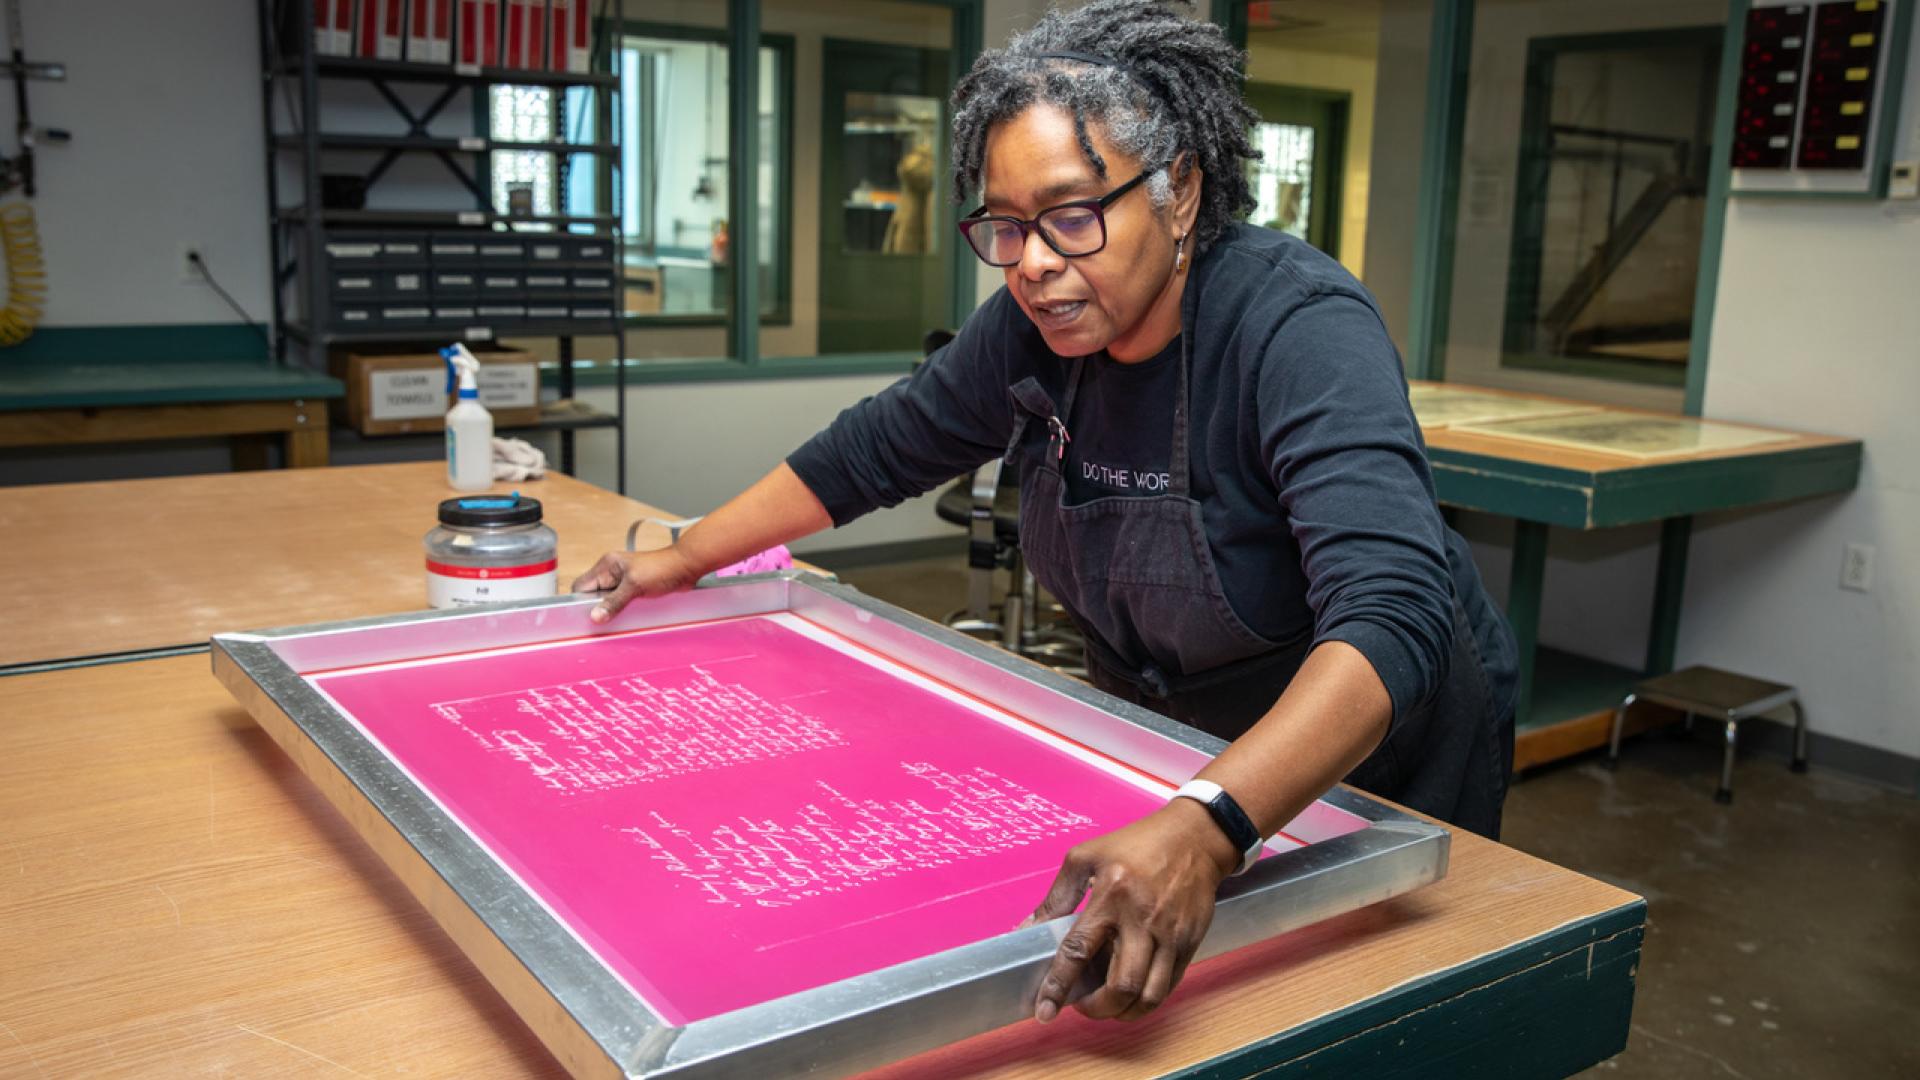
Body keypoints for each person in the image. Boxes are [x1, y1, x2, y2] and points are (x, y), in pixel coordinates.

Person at [573, 0, 1516, 1028]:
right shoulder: (1034, 329)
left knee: (1358, 1019)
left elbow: (1390, 615)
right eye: (1007, 227)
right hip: (1180, 754)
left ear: (1181, 191)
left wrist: (1210, 823)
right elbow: (873, 451)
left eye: (1072, 216)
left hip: (1366, 759)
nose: (1031, 262)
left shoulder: (1296, 326)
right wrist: (683, 557)